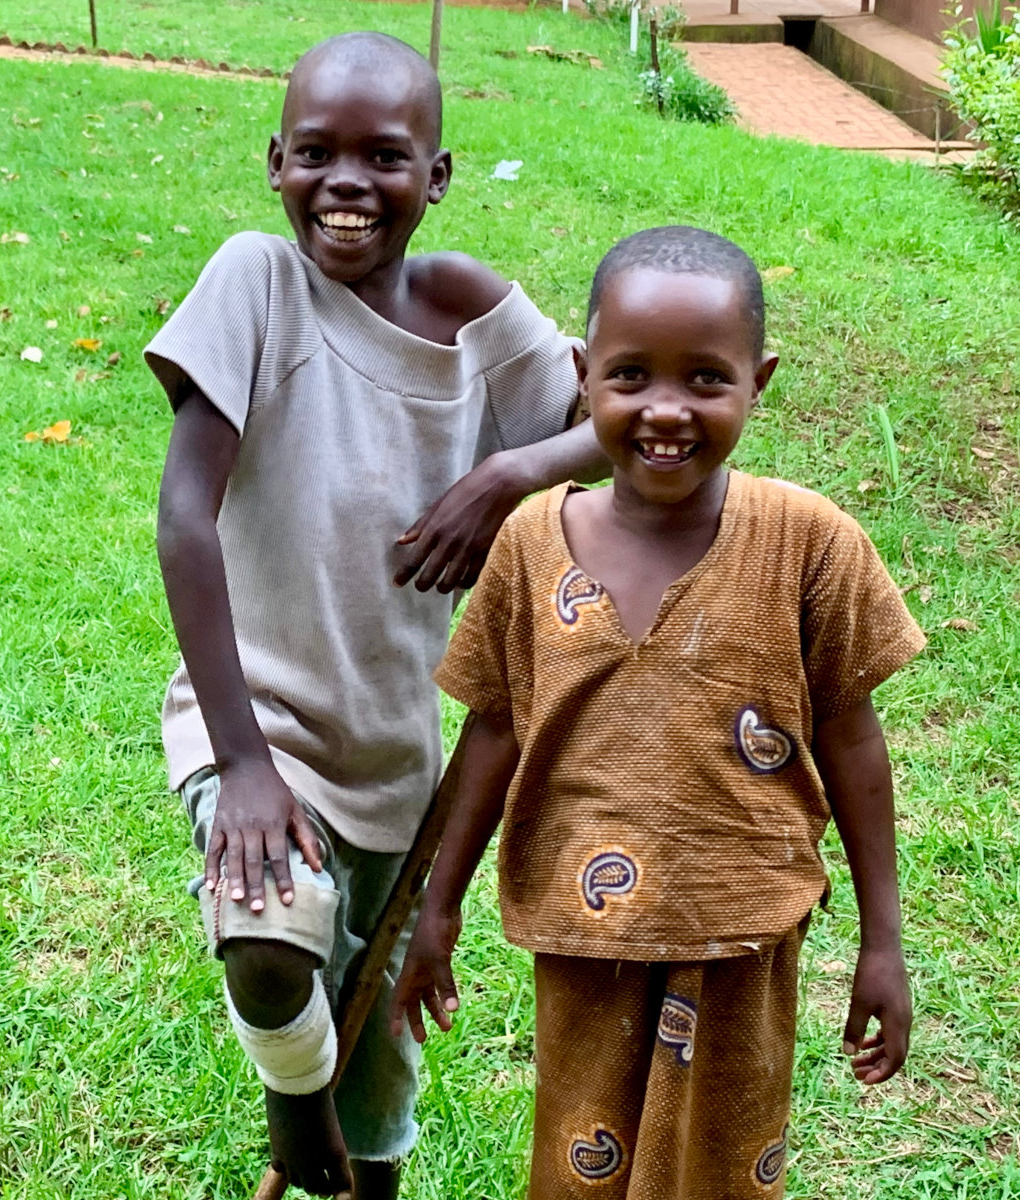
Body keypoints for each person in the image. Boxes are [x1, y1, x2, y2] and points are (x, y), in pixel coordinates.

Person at [148, 30, 607, 1200]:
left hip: (397, 757)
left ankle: (345, 1138)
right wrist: (242, 765)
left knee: (378, 1053)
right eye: (315, 153)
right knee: (266, 933)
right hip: (253, 725)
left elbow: (615, 422)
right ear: (275, 162)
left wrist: (507, 473)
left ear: (436, 176)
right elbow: (185, 520)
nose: (345, 183)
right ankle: (293, 1110)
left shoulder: (472, 315)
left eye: (385, 157)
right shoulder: (257, 280)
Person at [391, 226, 925, 1198]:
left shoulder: (809, 545)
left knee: (721, 1174)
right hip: (583, 939)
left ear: (759, 381)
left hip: (743, 936)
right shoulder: (530, 545)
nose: (666, 410)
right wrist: (437, 909)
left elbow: (853, 741)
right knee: (578, 1172)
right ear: (582, 375)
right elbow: (493, 733)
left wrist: (881, 942)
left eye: (706, 379)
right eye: (631, 376)